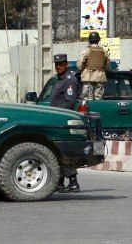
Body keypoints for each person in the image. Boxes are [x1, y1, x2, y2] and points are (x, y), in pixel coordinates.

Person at [49, 53, 81, 193]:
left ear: (66, 64)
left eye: (61, 64)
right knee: (57, 151)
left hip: (62, 120)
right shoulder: (60, 79)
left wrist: (57, 115)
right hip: (56, 119)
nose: (58, 67)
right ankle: (60, 182)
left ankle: (73, 182)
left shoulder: (70, 80)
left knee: (64, 152)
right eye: (56, 65)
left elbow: (69, 103)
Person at [78, 31, 110, 101]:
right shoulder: (104, 51)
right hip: (100, 77)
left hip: (88, 77)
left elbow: (79, 65)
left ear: (89, 40)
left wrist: (82, 69)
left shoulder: (86, 51)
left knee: (87, 100)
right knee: (99, 99)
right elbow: (107, 66)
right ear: (98, 40)